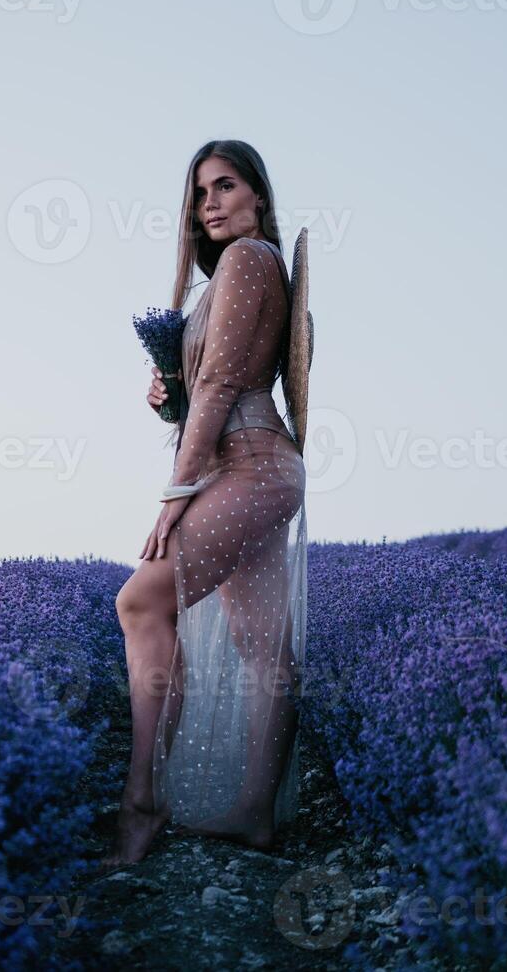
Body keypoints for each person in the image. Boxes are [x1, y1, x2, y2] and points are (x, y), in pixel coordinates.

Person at [103, 139, 310, 867]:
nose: (210, 203)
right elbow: (207, 391)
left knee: (140, 603)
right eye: (199, 193)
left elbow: (225, 390)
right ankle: (256, 812)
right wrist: (168, 398)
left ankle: (143, 802)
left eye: (226, 186)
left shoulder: (249, 260)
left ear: (258, 196)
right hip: (252, 469)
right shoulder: (223, 279)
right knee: (262, 649)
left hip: (247, 470)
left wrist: (175, 494)